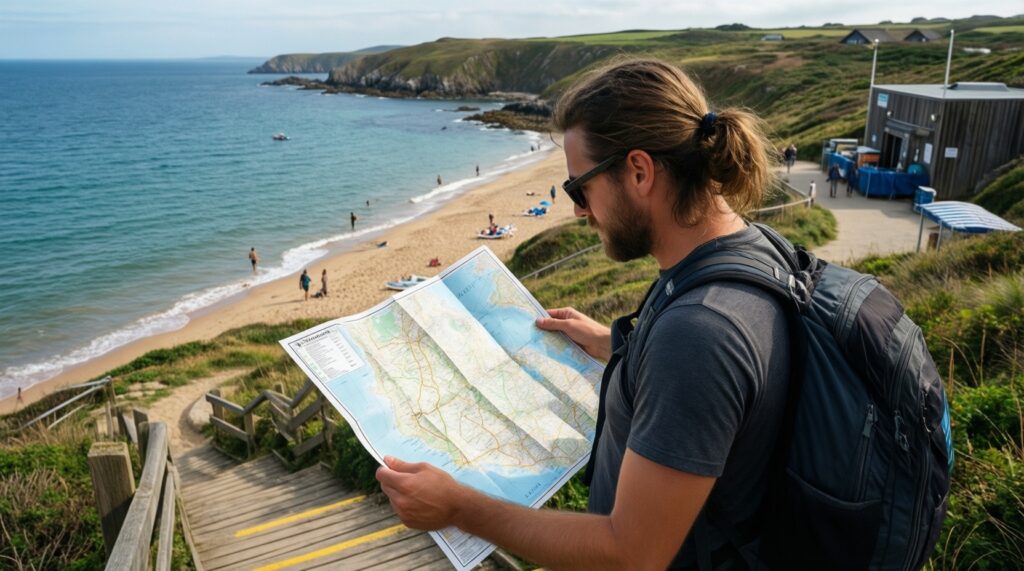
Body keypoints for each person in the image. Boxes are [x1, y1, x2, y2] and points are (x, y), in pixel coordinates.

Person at [376, 58, 790, 570]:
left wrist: (461, 507)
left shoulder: (699, 334)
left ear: (638, 171)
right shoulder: (752, 250)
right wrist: (619, 346)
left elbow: (631, 553)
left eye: (580, 187)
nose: (576, 209)